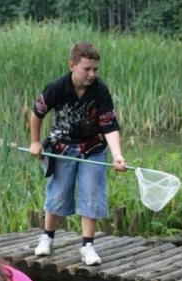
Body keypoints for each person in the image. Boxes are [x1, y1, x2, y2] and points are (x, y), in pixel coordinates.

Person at [29, 41, 127, 266]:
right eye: (86, 69)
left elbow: (109, 125)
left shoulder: (100, 91)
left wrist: (117, 154)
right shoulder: (56, 87)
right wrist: (35, 142)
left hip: (92, 148)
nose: (92, 74)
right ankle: (47, 237)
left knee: (92, 193)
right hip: (61, 148)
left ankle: (87, 245)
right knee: (58, 193)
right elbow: (36, 114)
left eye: (95, 69)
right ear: (72, 65)